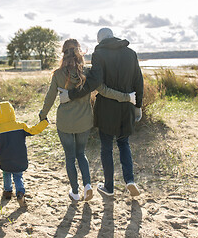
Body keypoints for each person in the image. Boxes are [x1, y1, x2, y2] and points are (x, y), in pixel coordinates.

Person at [39, 38, 132, 201]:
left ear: (63, 53)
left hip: (65, 122)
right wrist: (126, 97)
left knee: (69, 156)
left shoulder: (57, 75)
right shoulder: (87, 73)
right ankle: (87, 185)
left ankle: (75, 192)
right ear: (79, 52)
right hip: (84, 122)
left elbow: (49, 98)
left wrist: (42, 115)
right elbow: (105, 91)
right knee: (81, 154)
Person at [59, 28, 144, 197]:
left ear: (99, 41)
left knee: (106, 148)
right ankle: (130, 180)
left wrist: (71, 95)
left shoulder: (100, 54)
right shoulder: (131, 53)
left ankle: (109, 187)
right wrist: (138, 105)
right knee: (124, 144)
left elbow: (94, 82)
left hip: (106, 108)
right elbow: (138, 80)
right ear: (113, 36)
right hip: (126, 107)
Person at [0, 101, 48, 206]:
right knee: (18, 176)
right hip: (19, 159)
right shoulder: (21, 126)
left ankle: (7, 192)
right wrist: (44, 123)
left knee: (6, 174)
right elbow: (34, 130)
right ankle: (20, 193)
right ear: (12, 113)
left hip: (5, 161)